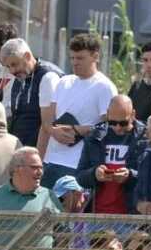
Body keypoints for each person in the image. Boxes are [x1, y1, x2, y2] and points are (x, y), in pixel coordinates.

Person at [44, 33, 118, 188]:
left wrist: (77, 130)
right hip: (51, 160)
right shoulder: (63, 82)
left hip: (77, 164)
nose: (75, 63)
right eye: (72, 58)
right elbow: (47, 120)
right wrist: (53, 131)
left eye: (80, 58)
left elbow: (110, 127)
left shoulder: (104, 86)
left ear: (95, 57)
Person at [75, 95, 147, 214]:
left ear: (133, 115)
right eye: (113, 122)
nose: (118, 127)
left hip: (132, 216)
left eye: (123, 123)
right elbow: (80, 176)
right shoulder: (95, 136)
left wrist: (130, 175)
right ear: (107, 114)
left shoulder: (146, 137)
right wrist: (94, 174)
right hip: (97, 214)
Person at [0, 37, 62, 152]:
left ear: (27, 56)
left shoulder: (47, 78)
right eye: (8, 67)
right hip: (20, 153)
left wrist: (38, 161)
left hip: (38, 155)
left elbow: (47, 126)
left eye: (14, 64)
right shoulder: (20, 77)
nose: (12, 71)